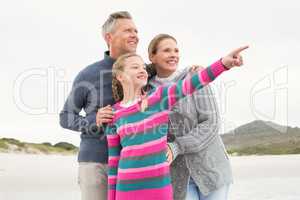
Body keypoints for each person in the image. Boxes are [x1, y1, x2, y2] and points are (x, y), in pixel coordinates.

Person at [106, 46, 247, 200]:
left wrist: (223, 64)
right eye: (135, 67)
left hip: (159, 189)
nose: (142, 70)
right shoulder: (114, 114)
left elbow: (193, 83)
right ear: (120, 76)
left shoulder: (159, 98)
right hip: (126, 190)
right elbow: (113, 164)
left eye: (143, 67)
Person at [59, 11, 138, 200]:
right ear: (108, 37)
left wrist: (192, 71)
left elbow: (168, 79)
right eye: (128, 30)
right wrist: (93, 120)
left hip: (134, 163)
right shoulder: (88, 74)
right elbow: (66, 116)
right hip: (96, 162)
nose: (135, 35)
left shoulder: (142, 70)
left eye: (136, 30)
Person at [148, 34, 233, 200]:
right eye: (166, 50)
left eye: (176, 50)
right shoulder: (146, 90)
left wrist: (177, 146)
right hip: (176, 177)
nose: (173, 54)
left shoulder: (194, 77)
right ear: (152, 56)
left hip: (212, 169)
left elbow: (211, 123)